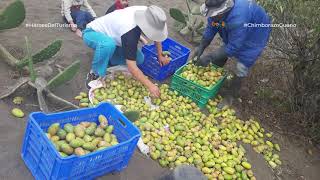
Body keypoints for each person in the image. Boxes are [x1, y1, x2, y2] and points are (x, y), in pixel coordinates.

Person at [193, 0, 271, 106]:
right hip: (237, 28)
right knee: (225, 48)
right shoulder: (219, 11)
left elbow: (234, 46)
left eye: (214, 14)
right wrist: (202, 45)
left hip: (256, 33)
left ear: (223, 12)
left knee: (242, 65)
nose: (212, 16)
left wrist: (210, 57)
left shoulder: (239, 18)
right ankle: (214, 76)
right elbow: (212, 25)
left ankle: (230, 95)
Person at [82, 5, 170, 97]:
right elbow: (132, 66)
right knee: (108, 45)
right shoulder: (130, 32)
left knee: (139, 59)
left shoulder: (149, 13)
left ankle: (109, 59)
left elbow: (156, 35)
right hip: (92, 33)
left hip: (116, 37)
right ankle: (95, 73)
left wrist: (160, 54)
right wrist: (151, 86)